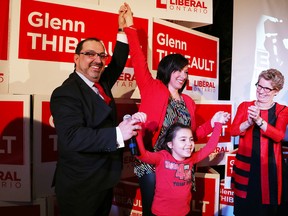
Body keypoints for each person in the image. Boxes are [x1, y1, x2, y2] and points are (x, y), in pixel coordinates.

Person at [120, 3, 231, 215]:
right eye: (178, 70)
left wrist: (214, 123)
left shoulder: (188, 101)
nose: (183, 75)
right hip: (152, 160)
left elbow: (193, 135)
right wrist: (130, 26)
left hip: (180, 165)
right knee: (154, 210)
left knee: (180, 208)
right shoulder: (152, 87)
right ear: (168, 70)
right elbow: (138, 58)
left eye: (186, 71)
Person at [49, 5, 141, 216]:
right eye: (90, 54)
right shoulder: (65, 93)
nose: (98, 60)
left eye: (101, 55)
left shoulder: (101, 82)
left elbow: (117, 61)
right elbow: (72, 137)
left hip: (104, 181)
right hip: (81, 188)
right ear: (76, 58)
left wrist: (123, 29)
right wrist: (119, 133)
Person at [133, 118, 223, 216]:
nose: (189, 144)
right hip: (160, 213)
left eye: (191, 139)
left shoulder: (192, 159)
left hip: (184, 213)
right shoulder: (162, 157)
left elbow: (210, 147)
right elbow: (142, 155)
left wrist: (218, 124)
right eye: (183, 139)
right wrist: (137, 128)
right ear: (170, 144)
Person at [231, 68, 288, 216]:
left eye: (267, 88)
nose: (261, 91)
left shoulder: (282, 110)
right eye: (259, 86)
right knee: (243, 209)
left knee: (266, 211)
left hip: (270, 170)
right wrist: (248, 122)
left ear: (276, 91)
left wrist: (259, 120)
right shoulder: (245, 106)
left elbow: (279, 136)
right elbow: (233, 131)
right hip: (245, 167)